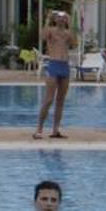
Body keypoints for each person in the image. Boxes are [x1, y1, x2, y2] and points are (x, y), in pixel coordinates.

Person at [34, 9, 76, 140]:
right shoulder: (51, 31)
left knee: (61, 100)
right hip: (53, 64)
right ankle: (39, 129)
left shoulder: (68, 33)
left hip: (64, 66)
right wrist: (47, 19)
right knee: (49, 99)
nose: (61, 19)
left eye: (63, 17)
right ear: (55, 19)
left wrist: (71, 23)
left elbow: (74, 44)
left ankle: (55, 130)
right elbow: (42, 36)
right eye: (59, 17)